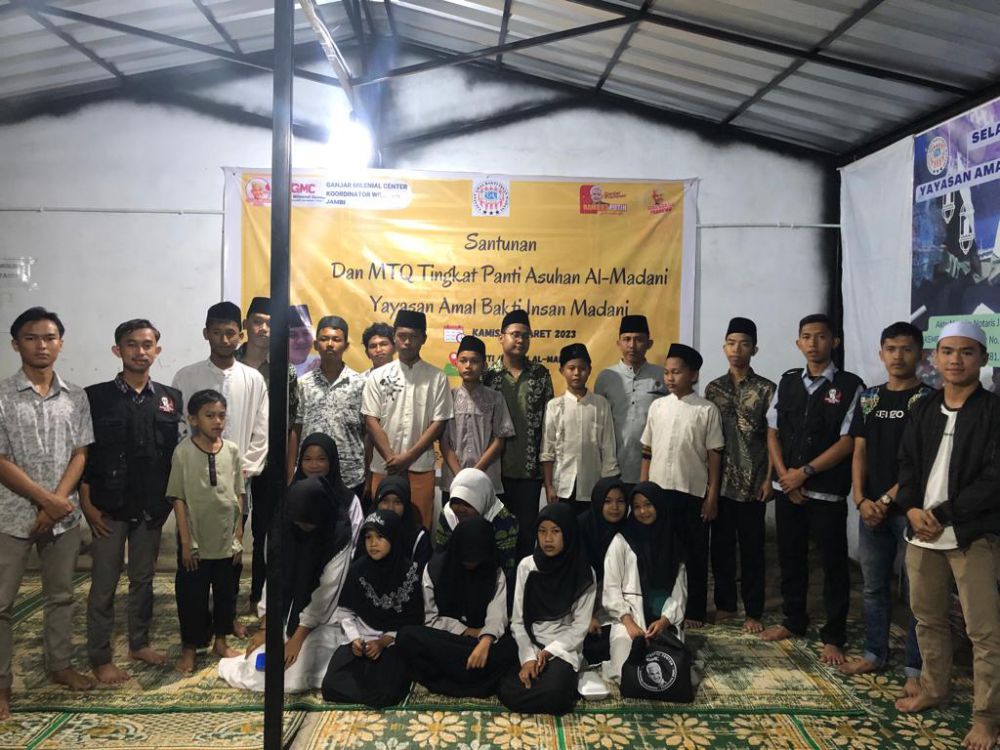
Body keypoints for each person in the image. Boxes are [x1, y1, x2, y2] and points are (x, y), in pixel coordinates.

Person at [894, 321, 1000, 750]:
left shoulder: (993, 412)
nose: (956, 360)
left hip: (972, 535)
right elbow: (906, 464)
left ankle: (987, 717)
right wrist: (911, 508)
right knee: (928, 619)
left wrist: (942, 513)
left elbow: (994, 478)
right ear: (935, 359)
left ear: (983, 359)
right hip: (922, 534)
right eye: (948, 351)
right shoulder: (923, 408)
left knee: (984, 632)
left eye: (967, 352)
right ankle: (934, 689)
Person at [0, 307, 95, 718]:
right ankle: (1, 684)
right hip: (10, 515)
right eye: (32, 337)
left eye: (50, 337)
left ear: (60, 343)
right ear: (15, 344)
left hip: (62, 517)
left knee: (61, 596)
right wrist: (47, 500)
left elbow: (80, 453)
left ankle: (60, 666)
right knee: (2, 604)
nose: (42, 345)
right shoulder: (3, 396)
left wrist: (57, 503)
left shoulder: (76, 396)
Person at [81, 319, 182, 684]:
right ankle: (100, 657)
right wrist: (87, 504)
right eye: (132, 344)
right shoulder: (95, 397)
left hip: (151, 507)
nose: (140, 351)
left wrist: (168, 504)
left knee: (143, 579)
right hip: (107, 507)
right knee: (104, 584)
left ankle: (139, 643)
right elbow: (85, 454)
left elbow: (173, 456)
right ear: (118, 350)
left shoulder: (170, 398)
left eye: (147, 344)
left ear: (157, 350)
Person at [760, 314, 863, 665]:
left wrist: (803, 473)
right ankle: (794, 620)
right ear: (798, 342)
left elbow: (847, 441)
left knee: (833, 564)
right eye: (807, 336)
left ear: (834, 341)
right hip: (787, 487)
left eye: (821, 336)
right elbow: (773, 431)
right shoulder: (788, 381)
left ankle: (834, 635)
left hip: (826, 492)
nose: (813, 343)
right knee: (790, 557)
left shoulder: (849, 385)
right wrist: (784, 476)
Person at [839, 322, 932, 691]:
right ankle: (874, 652)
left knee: (915, 594)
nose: (898, 356)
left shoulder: (928, 400)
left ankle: (915, 669)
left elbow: (921, 462)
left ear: (920, 354)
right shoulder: (869, 398)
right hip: (871, 511)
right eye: (891, 349)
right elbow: (858, 450)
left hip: (910, 511)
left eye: (906, 349)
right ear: (881, 354)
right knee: (873, 587)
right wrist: (860, 498)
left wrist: (886, 499)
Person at [172, 301, 268, 635]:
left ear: (240, 335)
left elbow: (262, 431)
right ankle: (196, 626)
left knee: (232, 554)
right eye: (217, 333)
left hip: (236, 483)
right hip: (194, 484)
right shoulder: (186, 376)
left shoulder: (253, 379)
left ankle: (227, 619)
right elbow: (179, 427)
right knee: (192, 553)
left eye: (230, 333)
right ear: (206, 334)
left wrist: (243, 471)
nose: (224, 340)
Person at [218, 476, 355, 692]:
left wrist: (297, 638)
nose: (302, 527)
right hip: (287, 615)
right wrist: (266, 627)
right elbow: (274, 579)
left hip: (325, 621)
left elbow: (325, 593)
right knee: (259, 664)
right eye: (298, 522)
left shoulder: (338, 536)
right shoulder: (286, 528)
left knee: (296, 672)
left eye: (308, 523)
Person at [639, 343, 723, 628]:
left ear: (693, 375)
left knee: (694, 554)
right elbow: (647, 451)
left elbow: (714, 455)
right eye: (667, 372)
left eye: (676, 372)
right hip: (658, 493)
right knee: (660, 553)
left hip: (692, 492)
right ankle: (659, 609)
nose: (670, 378)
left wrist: (712, 496)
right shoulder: (657, 407)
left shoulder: (707, 410)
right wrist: (642, 490)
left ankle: (695, 611)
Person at [703, 317, 775, 634]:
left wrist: (770, 479)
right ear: (724, 347)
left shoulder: (766, 389)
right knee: (720, 549)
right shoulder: (713, 389)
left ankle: (754, 611)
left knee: (752, 551)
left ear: (754, 349)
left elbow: (773, 438)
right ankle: (726, 605)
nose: (737, 349)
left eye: (744, 344)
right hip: (720, 485)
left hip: (752, 484)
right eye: (731, 343)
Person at [396, 517, 517, 698]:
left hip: (480, 642)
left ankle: (455, 679)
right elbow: (430, 619)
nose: (470, 561)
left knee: (511, 647)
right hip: (446, 639)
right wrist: (465, 630)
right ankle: (475, 681)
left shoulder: (494, 572)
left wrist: (485, 640)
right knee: (407, 636)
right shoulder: (435, 569)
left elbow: (497, 616)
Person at [168, 389, 244, 674]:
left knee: (226, 593)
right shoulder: (184, 452)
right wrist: (186, 541)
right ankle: (190, 648)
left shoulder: (232, 450)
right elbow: (178, 498)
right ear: (193, 419)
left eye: (221, 415)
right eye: (209, 415)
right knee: (192, 597)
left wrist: (238, 533)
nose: (217, 421)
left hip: (225, 539)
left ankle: (220, 641)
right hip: (197, 541)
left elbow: (238, 493)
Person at [497, 503, 596, 716]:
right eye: (542, 531)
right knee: (504, 686)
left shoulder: (583, 572)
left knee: (554, 693)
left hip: (562, 648)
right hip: (530, 641)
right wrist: (528, 658)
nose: (548, 539)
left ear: (568, 533)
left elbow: (579, 628)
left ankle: (555, 691)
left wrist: (549, 651)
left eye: (555, 531)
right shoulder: (527, 566)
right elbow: (518, 621)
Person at [322, 509, 424, 708]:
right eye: (368, 537)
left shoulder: (409, 573)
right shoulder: (358, 570)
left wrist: (383, 642)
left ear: (393, 537)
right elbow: (345, 612)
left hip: (393, 642)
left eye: (380, 537)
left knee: (386, 693)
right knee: (331, 686)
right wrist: (355, 639)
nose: (373, 543)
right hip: (362, 639)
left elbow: (414, 620)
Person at [235, 296, 299, 610]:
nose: (264, 329)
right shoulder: (228, 362)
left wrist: (288, 470)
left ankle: (257, 596)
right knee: (229, 531)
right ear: (246, 324)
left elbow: (293, 424)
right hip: (230, 459)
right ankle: (226, 599)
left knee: (265, 534)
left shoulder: (285, 371)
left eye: (271, 324)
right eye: (258, 322)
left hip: (269, 463)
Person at [362, 309, 453, 531]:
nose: (407, 342)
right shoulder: (378, 376)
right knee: (382, 529)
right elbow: (371, 419)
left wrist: (408, 457)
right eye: (402, 336)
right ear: (394, 336)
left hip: (420, 467)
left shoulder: (437, 377)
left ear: (424, 338)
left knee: (419, 527)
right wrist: (391, 458)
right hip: (384, 466)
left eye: (413, 336)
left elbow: (438, 424)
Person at [483, 310, 554, 558]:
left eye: (525, 335)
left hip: (529, 473)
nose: (520, 340)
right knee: (494, 538)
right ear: (501, 337)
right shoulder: (488, 376)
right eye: (515, 334)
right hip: (495, 472)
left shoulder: (540, 375)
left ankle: (521, 582)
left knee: (525, 539)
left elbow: (549, 425)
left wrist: (547, 476)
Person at [602, 482, 687, 682]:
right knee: (627, 673)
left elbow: (680, 591)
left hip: (663, 623)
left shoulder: (672, 543)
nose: (642, 511)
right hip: (629, 621)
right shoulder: (621, 541)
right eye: (637, 506)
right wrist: (630, 624)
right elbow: (611, 589)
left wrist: (664, 621)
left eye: (648, 505)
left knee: (669, 674)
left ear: (659, 505)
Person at [294, 315, 367, 500]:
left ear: (346, 345)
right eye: (324, 339)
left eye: (336, 339)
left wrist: (369, 472)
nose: (330, 344)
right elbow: (296, 429)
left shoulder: (360, 384)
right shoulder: (303, 384)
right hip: (310, 475)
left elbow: (367, 432)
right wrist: (290, 472)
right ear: (316, 344)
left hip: (350, 476)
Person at [541, 343, 619, 513]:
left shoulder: (600, 404)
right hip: (562, 485)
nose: (577, 373)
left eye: (582, 368)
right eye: (571, 368)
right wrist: (549, 485)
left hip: (593, 485)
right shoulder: (555, 406)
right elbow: (548, 450)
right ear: (562, 370)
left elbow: (608, 447)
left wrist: (608, 485)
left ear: (589, 370)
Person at [594, 315, 666, 492]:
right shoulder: (606, 377)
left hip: (653, 469)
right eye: (626, 339)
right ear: (618, 343)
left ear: (649, 344)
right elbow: (598, 426)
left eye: (638, 339)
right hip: (614, 469)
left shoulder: (662, 376)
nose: (632, 345)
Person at [441, 335, 515, 498]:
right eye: (463, 360)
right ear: (456, 364)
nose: (468, 366)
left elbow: (499, 441)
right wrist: (460, 476)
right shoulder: (448, 397)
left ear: (484, 366)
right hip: (453, 480)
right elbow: (444, 443)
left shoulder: (496, 398)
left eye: (474, 361)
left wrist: (474, 474)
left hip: (486, 479)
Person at [435, 468, 519, 585]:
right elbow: (440, 557)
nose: (460, 509)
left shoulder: (503, 520)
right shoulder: (448, 515)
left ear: (482, 499)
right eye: (456, 502)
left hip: (492, 583)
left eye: (468, 503)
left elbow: (506, 568)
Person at [578, 477, 628, 666]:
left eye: (620, 501)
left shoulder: (629, 529)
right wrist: (586, 614)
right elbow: (576, 574)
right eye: (608, 501)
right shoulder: (582, 526)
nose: (615, 507)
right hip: (582, 598)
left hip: (615, 599)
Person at [294, 433, 364, 544]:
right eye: (307, 459)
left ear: (331, 461)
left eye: (321, 459)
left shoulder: (349, 500)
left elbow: (356, 539)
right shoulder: (291, 497)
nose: (314, 465)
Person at [373, 474, 432, 565]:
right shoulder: (369, 532)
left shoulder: (418, 538)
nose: (390, 508)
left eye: (397, 502)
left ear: (406, 505)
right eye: (385, 501)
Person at [289, 303, 320, 376]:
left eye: (306, 333)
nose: (301, 341)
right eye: (293, 335)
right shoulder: (270, 367)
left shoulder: (323, 364)